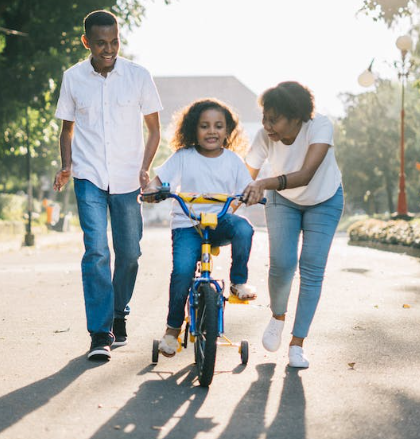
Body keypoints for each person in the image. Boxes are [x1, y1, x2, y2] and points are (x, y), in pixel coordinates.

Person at [53, 10, 162, 361]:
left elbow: (154, 129)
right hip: (88, 177)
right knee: (97, 251)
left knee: (129, 254)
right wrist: (67, 166)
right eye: (101, 43)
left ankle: (118, 313)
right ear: (87, 42)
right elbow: (67, 129)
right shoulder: (73, 78)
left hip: (129, 178)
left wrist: (145, 168)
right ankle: (100, 333)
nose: (109, 49)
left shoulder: (138, 76)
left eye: (114, 41)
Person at [143, 98, 257, 357]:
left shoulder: (233, 160)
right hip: (187, 224)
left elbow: (246, 188)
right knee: (183, 272)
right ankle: (172, 330)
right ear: (194, 129)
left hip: (219, 222)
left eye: (218, 126)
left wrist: (251, 194)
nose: (212, 131)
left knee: (244, 229)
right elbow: (158, 181)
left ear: (228, 131)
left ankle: (238, 282)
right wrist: (152, 190)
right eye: (204, 126)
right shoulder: (183, 157)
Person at [241, 81, 344, 369]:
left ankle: (297, 344)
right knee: (282, 264)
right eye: (264, 117)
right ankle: (277, 317)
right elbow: (244, 177)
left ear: (296, 117)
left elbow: (307, 174)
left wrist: (264, 183)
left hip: (324, 199)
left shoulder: (319, 127)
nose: (267, 125)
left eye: (274, 119)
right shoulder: (265, 136)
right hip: (283, 201)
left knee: (312, 267)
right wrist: (228, 204)